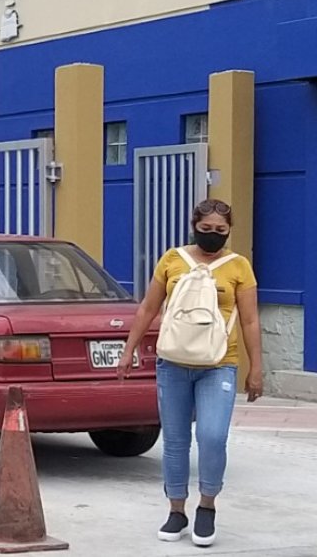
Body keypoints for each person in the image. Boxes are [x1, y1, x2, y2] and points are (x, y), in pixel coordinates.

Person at [117, 198, 262, 548]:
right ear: (194, 225)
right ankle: (176, 509)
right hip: (174, 364)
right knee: (176, 440)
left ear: (230, 231)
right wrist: (128, 348)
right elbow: (149, 307)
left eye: (220, 231)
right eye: (206, 229)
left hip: (219, 365)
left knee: (212, 437)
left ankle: (207, 505)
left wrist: (256, 367)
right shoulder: (172, 260)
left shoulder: (239, 266)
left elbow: (250, 319)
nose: (212, 236)